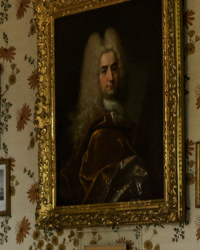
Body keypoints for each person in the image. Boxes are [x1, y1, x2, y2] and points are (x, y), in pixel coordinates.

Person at [59, 28, 151, 204]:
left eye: (114, 69)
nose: (111, 78)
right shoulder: (97, 130)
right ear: (94, 77)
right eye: (104, 70)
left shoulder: (122, 112)